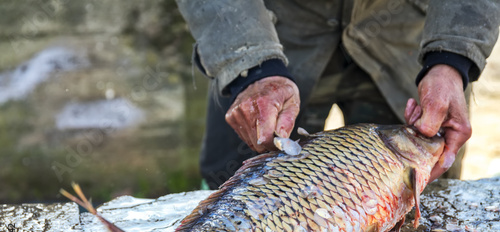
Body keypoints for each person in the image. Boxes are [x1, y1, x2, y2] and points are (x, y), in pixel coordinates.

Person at [175, 0, 500, 190]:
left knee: (417, 191)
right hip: (273, 35)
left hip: (405, 40)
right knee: (234, 180)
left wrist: (451, 59)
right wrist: (249, 63)